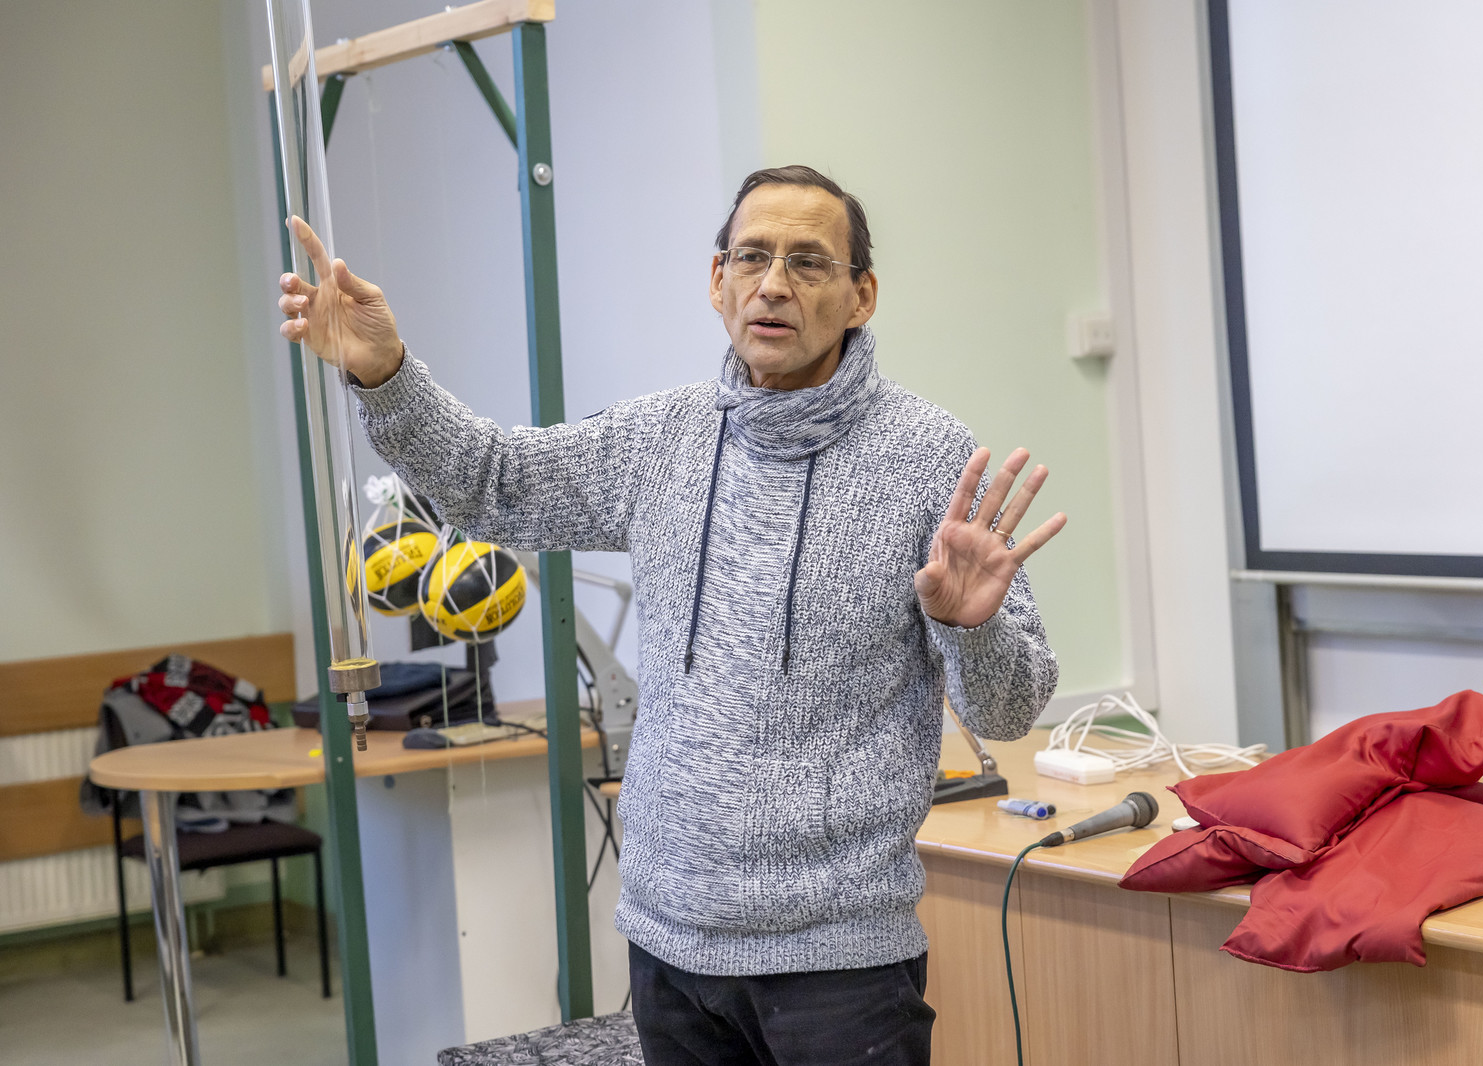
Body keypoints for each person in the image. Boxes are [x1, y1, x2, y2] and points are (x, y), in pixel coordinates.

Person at [279, 165, 1066, 1065]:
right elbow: (494, 482)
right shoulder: (660, 440)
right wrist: (384, 372)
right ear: (717, 280)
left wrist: (972, 628)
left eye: (809, 262)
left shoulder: (930, 459)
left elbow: (1009, 710)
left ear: (862, 296)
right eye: (752, 257)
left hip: (840, 970)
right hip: (669, 951)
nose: (774, 284)